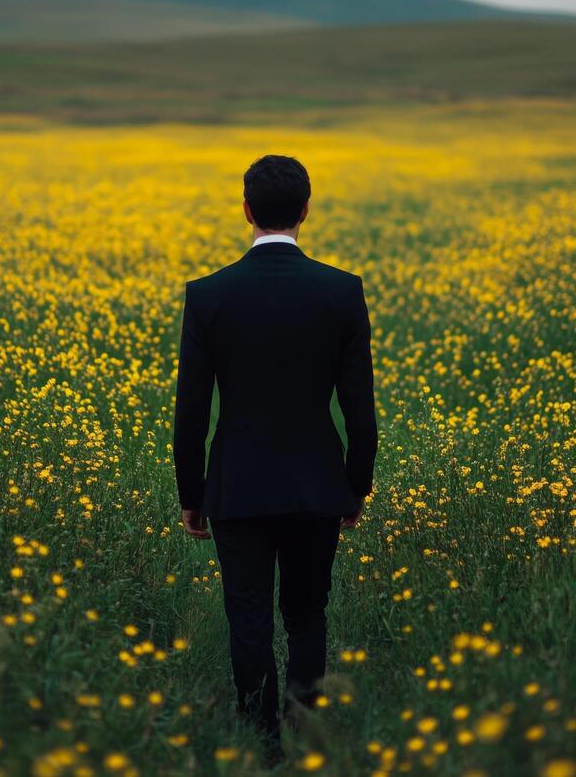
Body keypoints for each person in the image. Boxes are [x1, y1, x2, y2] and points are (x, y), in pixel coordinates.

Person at [172, 154, 378, 765]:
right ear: (306, 210)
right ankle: (306, 724)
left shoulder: (208, 296)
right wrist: (355, 486)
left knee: (248, 615)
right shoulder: (342, 291)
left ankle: (264, 744)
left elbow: (191, 411)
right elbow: (360, 411)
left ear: (246, 210)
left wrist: (192, 493)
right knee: (307, 611)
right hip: (318, 484)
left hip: (236, 486)